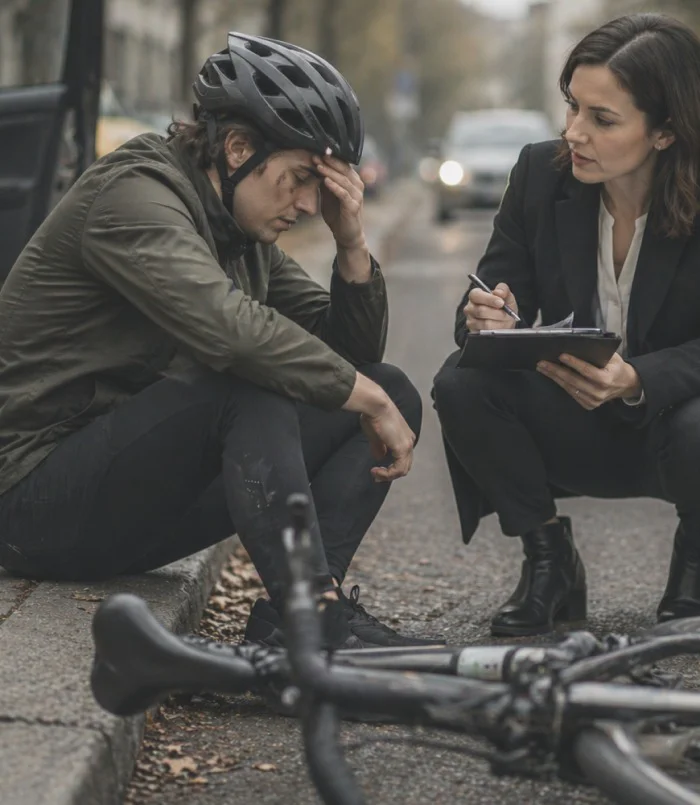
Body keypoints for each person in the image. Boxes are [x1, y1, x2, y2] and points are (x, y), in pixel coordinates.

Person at [0, 33, 439, 650]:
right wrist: (362, 396)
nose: (310, 203)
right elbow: (229, 332)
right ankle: (308, 609)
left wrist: (351, 246)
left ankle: (308, 620)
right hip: (32, 503)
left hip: (129, 499)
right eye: (298, 178)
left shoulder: (238, 227)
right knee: (249, 385)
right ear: (237, 148)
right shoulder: (136, 197)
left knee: (391, 388)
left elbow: (348, 359)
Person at [433, 13, 700, 636]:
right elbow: (485, 301)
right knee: (461, 383)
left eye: (601, 119)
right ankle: (550, 562)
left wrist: (638, 376)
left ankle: (695, 567)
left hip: (678, 429)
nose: (573, 133)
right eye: (573, 107)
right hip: (574, 422)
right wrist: (483, 315)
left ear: (664, 132)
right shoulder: (540, 174)